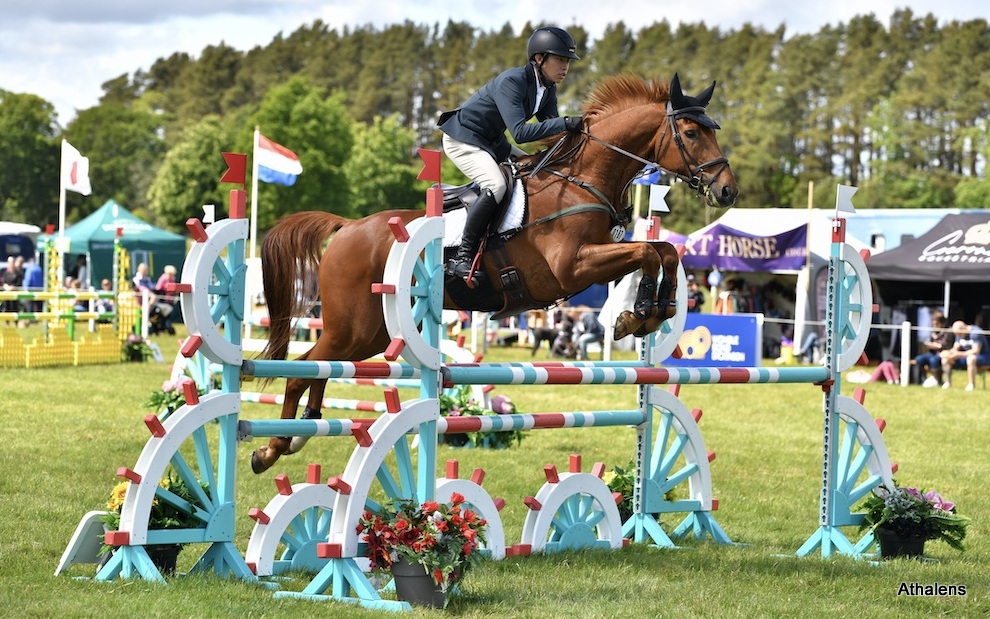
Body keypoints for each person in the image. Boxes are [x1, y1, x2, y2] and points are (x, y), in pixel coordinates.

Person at [438, 26, 582, 286]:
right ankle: (463, 256)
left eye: (567, 61)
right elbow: (521, 132)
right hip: (462, 138)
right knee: (497, 184)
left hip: (492, 142)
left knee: (534, 166)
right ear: (539, 59)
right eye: (560, 59)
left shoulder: (547, 90)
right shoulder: (512, 81)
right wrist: (566, 123)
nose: (565, 67)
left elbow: (552, 132)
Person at [940, 320, 990, 391]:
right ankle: (947, 383)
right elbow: (955, 348)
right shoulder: (959, 334)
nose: (958, 336)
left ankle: (971, 384)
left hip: (982, 357)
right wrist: (948, 353)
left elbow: (975, 351)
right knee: (945, 359)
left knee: (971, 358)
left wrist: (959, 354)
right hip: (965, 357)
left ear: (964, 328)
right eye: (957, 334)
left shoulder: (975, 333)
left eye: (959, 334)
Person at [915, 310, 953, 387]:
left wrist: (938, 346)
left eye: (936, 323)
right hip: (933, 352)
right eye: (933, 324)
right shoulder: (934, 331)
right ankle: (922, 380)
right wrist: (930, 345)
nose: (935, 325)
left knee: (934, 360)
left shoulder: (948, 332)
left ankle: (937, 380)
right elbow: (930, 341)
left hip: (943, 353)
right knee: (919, 359)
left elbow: (948, 345)